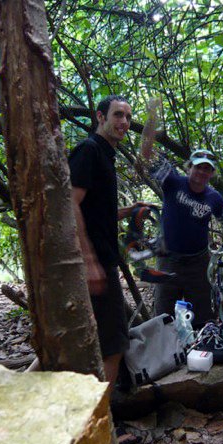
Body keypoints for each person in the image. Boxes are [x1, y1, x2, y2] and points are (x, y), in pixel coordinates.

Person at [139, 99, 223, 327]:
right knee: (163, 316)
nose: (202, 172)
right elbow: (146, 153)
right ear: (189, 167)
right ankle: (166, 349)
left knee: (203, 316)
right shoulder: (173, 181)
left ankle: (202, 346)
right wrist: (152, 117)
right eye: (198, 166)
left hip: (198, 264)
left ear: (212, 174)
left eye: (207, 169)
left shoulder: (214, 198)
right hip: (168, 260)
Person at [70, 95, 140, 385]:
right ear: (100, 117)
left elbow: (94, 211)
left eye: (128, 117)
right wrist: (89, 261)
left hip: (100, 259)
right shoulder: (89, 150)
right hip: (93, 261)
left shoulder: (105, 154)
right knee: (114, 344)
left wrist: (128, 211)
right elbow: (70, 204)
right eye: (118, 115)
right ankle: (103, 412)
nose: (124, 122)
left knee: (74, 339)